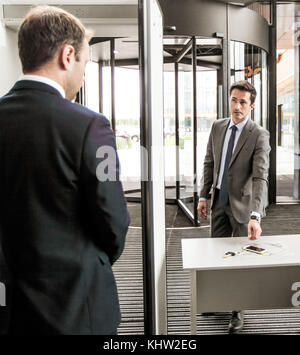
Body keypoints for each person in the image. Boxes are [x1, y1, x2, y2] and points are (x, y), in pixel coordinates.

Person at [0, 5, 130, 335]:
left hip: (10, 309)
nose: (83, 73)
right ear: (67, 55)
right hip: (76, 308)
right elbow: (114, 221)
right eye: (84, 63)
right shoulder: (92, 127)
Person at [197, 80, 270, 333]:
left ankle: (238, 310)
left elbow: (261, 177)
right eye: (233, 100)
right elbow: (209, 163)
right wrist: (204, 196)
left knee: (239, 259)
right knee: (216, 255)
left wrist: (255, 215)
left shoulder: (258, 134)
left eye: (242, 102)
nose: (236, 106)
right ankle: (217, 299)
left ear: (252, 106)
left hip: (243, 207)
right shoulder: (218, 127)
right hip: (218, 202)